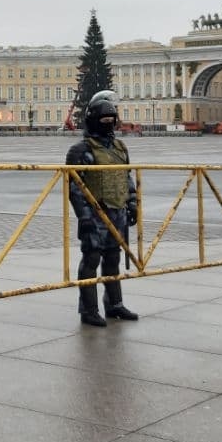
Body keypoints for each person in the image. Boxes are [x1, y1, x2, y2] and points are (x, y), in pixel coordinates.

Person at [65, 90, 139, 327]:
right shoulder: (80, 151)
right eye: (104, 121)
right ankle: (88, 309)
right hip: (95, 213)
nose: (108, 125)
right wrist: (84, 216)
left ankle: (114, 304)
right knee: (91, 258)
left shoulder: (119, 148)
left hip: (117, 211)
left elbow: (126, 176)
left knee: (112, 259)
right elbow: (75, 188)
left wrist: (132, 202)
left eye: (111, 121)